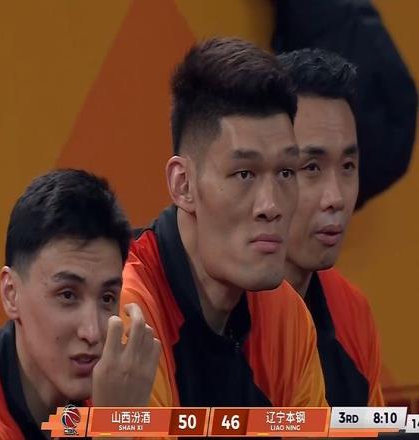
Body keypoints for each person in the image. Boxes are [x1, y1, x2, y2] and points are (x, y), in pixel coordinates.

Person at [121, 37, 326, 408]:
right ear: (183, 185)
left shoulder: (287, 317)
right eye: (244, 174)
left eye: (285, 172)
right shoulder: (128, 313)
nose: (271, 206)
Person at [0, 169, 161, 439]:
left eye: (107, 298)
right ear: (11, 293)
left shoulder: (110, 391)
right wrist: (115, 426)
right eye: (67, 295)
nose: (92, 332)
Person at [278, 48, 384, 406]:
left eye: (348, 167)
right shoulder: (212, 308)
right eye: (311, 167)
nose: (336, 198)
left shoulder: (351, 311)